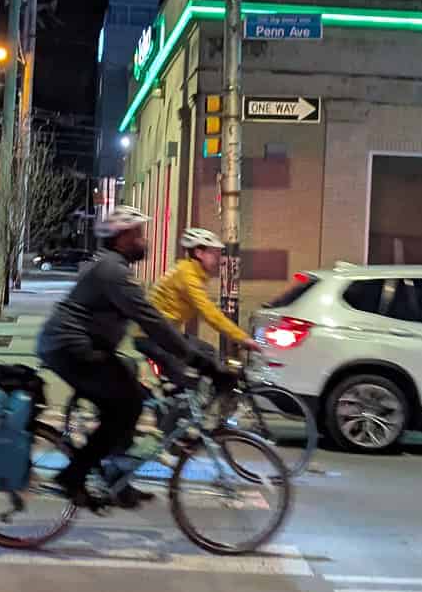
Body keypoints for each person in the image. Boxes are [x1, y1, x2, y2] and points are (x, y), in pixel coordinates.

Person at [36, 206, 199, 506]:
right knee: (125, 407)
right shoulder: (113, 272)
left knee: (133, 394)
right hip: (71, 348)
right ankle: (72, 477)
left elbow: (150, 321)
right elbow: (151, 319)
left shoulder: (114, 267)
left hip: (80, 346)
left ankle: (116, 477)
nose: (144, 240)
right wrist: (195, 358)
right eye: (138, 234)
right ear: (122, 238)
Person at [148, 227, 258, 384]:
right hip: (154, 336)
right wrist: (243, 338)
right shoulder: (187, 275)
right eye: (213, 253)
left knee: (208, 352)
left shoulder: (191, 271)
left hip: (165, 333)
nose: (218, 258)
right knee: (188, 373)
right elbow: (209, 313)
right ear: (199, 253)